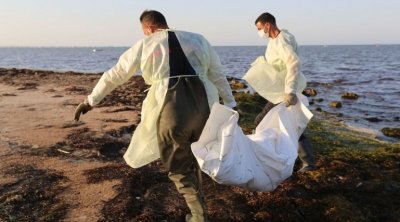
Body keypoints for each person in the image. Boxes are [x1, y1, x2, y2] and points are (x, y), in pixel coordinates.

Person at [74, 10, 236, 222]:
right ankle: (199, 208)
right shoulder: (198, 39)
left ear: (148, 28)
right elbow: (218, 74)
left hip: (171, 109)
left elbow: (115, 75)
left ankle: (198, 215)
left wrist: (90, 101)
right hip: (205, 105)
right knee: (198, 155)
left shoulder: (146, 44)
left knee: (178, 165)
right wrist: (232, 103)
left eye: (145, 32)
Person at [253, 12, 316, 172]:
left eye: (259, 28)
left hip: (286, 91)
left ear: (267, 25)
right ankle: (300, 160)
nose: (259, 32)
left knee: (262, 121)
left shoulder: (282, 40)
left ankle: (277, 157)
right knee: (289, 124)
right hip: (279, 90)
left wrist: (290, 91)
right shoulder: (274, 40)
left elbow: (293, 63)